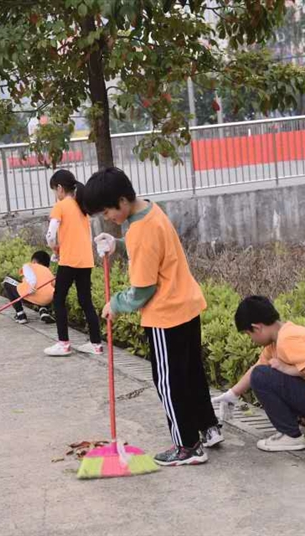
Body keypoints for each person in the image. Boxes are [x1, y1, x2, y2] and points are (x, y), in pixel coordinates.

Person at [86, 167, 222, 467]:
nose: (107, 217)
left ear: (122, 201)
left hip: (165, 316)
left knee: (168, 382)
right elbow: (149, 253)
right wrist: (118, 245)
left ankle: (187, 445)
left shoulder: (140, 231)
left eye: (107, 210)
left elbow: (142, 290)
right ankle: (208, 428)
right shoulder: (150, 210)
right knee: (191, 373)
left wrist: (115, 304)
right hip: (186, 305)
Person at [212, 296, 305, 451]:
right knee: (262, 372)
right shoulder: (281, 335)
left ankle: (291, 436)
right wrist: (233, 394)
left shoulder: (286, 340)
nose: (252, 340)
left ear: (257, 327)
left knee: (261, 377)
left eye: (249, 334)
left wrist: (289, 370)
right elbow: (257, 366)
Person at [43, 169, 102, 356]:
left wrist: (55, 248)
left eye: (55, 190)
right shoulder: (82, 207)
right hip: (86, 261)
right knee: (86, 301)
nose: (55, 194)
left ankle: (63, 343)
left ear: (60, 188)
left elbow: (51, 235)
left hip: (69, 261)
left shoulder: (61, 206)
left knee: (59, 299)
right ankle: (96, 344)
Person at [2, 250, 56, 325]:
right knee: (45, 288)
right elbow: (55, 286)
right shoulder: (48, 271)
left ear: (34, 260)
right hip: (46, 300)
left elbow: (31, 279)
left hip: (27, 295)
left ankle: (20, 314)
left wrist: (31, 286)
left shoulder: (28, 265)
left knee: (7, 280)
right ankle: (44, 310)